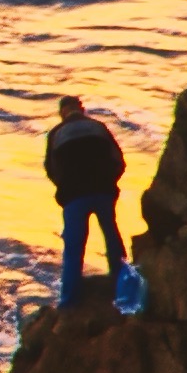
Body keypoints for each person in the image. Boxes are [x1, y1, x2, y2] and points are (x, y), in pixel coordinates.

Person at [43, 95, 126, 307]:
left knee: (73, 247)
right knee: (111, 236)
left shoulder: (57, 133)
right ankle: (122, 286)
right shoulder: (98, 127)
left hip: (74, 196)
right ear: (81, 109)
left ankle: (69, 301)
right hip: (103, 191)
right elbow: (118, 160)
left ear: (62, 112)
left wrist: (65, 187)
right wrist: (110, 181)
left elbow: (51, 169)